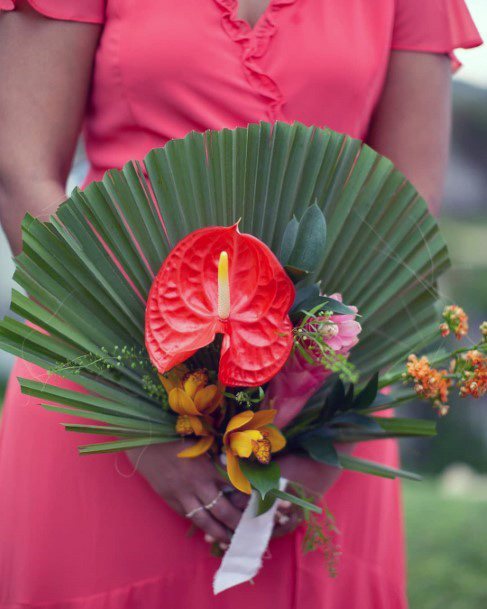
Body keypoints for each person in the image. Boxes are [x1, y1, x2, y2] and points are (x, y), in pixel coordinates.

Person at [0, 1, 482, 607]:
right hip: (100, 388)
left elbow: (410, 212)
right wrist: (136, 427)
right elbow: (22, 174)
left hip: (324, 407)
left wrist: (323, 431)